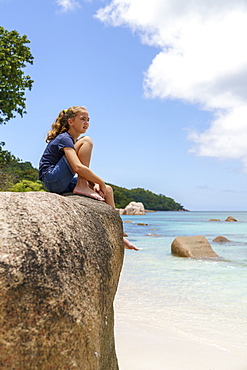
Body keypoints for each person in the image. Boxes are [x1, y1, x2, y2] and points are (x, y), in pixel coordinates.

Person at [39, 106, 138, 251]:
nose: (86, 122)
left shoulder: (73, 140)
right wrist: (99, 181)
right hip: (52, 178)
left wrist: (99, 184)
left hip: (61, 181)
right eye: (82, 119)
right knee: (87, 141)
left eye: (88, 120)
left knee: (108, 191)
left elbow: (78, 168)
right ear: (71, 121)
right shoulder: (65, 138)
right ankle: (81, 185)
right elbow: (77, 167)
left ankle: (119, 235)